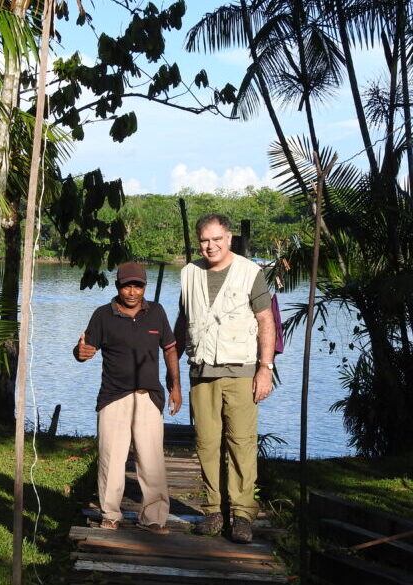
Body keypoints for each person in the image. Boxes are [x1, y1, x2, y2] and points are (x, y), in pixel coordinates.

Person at [175, 214, 276, 544]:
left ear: (229, 239)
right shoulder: (189, 274)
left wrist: (265, 368)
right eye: (205, 240)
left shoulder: (250, 272)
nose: (210, 246)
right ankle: (214, 510)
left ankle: (242, 514)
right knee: (206, 443)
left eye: (217, 239)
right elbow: (182, 321)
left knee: (241, 443)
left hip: (241, 371)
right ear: (198, 241)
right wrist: (171, 367)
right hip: (201, 372)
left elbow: (265, 322)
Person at [74, 261, 182, 535]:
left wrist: (175, 386)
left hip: (148, 396)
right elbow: (85, 349)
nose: (132, 292)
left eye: (138, 286)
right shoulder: (102, 315)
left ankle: (154, 517)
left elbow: (170, 349)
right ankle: (110, 514)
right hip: (114, 397)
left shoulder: (156, 312)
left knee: (151, 459)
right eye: (127, 286)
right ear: (117, 287)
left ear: (144, 286)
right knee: (111, 457)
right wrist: (80, 352)